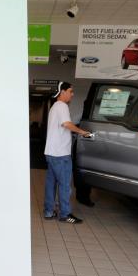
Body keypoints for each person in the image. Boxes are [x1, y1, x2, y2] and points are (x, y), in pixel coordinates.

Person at [43, 82, 92, 224]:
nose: (72, 94)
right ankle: (65, 214)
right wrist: (83, 132)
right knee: (64, 185)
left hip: (51, 152)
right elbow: (66, 124)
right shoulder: (62, 106)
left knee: (51, 183)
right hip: (60, 154)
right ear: (62, 92)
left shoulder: (54, 107)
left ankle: (49, 211)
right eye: (70, 91)